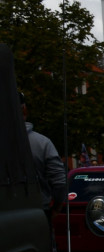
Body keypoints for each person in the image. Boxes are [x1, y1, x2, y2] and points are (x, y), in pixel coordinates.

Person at [20, 92, 66, 220]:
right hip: (37, 212)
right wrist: (56, 208)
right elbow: (59, 182)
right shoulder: (42, 143)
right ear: (24, 110)